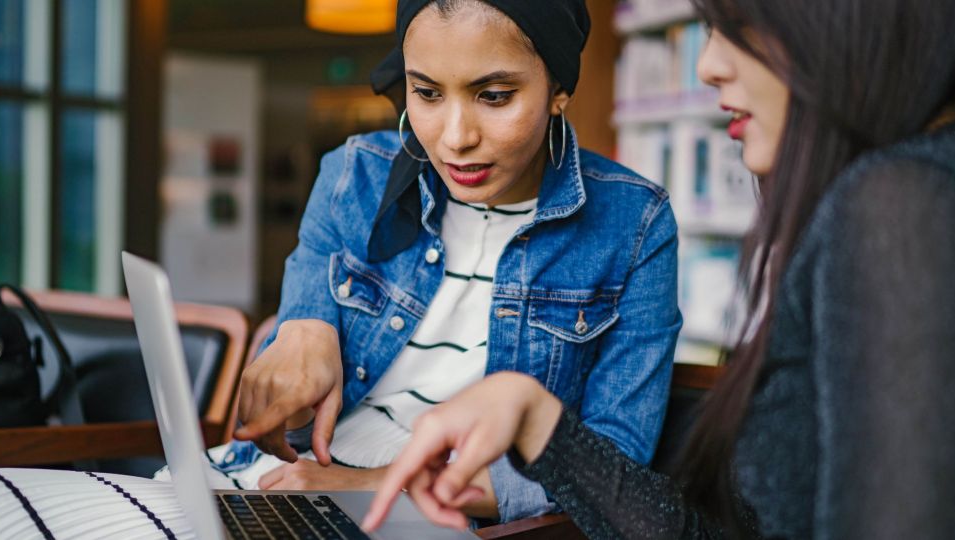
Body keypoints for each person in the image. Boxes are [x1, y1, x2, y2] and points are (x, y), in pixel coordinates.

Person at [363, 0, 955, 537]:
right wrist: (535, 419)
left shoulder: (913, 206)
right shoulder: (949, 186)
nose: (708, 64)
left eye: (737, 21)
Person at [220, 0, 682, 525]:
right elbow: (298, 429)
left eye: (494, 96)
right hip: (280, 483)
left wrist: (374, 488)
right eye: (427, 93)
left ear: (559, 90)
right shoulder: (354, 175)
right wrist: (299, 349)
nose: (456, 137)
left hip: (435, 518)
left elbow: (609, 467)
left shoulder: (635, 224)